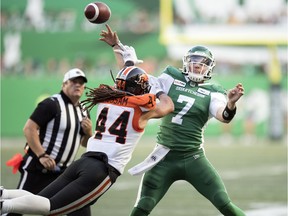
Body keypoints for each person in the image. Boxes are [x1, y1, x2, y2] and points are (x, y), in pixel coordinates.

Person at [100, 24, 246, 216]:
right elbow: (133, 79)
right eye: (194, 61)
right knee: (143, 205)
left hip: (194, 157)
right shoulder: (170, 77)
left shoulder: (213, 91)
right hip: (164, 156)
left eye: (202, 63)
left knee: (223, 203)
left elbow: (224, 116)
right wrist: (117, 46)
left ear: (209, 67)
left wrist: (231, 104)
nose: (197, 66)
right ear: (186, 62)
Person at [1, 63, 174, 215]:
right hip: (103, 168)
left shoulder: (105, 100)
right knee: (50, 207)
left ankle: (3, 194)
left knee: (40, 199)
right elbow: (168, 106)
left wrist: (123, 56)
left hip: (83, 161)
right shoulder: (141, 111)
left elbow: (124, 82)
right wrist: (158, 90)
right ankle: (4, 205)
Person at [6, 68, 93, 216]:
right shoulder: (52, 104)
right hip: (40, 168)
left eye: (81, 83)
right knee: (15, 208)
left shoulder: (83, 110)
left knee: (80, 207)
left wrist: (89, 132)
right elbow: (29, 128)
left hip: (65, 172)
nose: (77, 85)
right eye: (73, 82)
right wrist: (42, 155)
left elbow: (85, 143)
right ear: (64, 84)